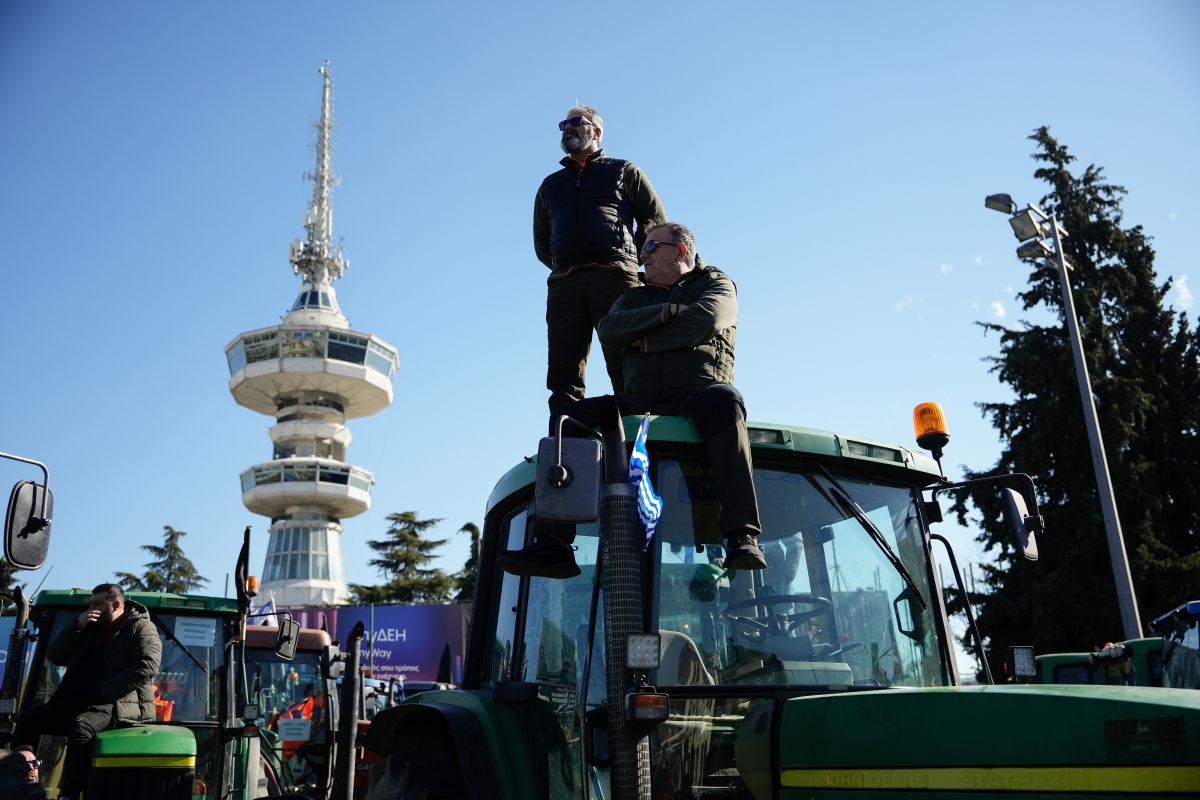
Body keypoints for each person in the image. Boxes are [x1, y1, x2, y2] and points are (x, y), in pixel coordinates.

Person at [503, 222, 767, 578]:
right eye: (642, 249)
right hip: (641, 400)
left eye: (651, 247)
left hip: (699, 392)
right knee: (568, 419)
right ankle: (554, 544)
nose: (642, 256)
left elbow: (706, 320)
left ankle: (742, 536)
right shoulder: (634, 296)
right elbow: (610, 330)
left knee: (726, 401)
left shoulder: (716, 284)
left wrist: (643, 341)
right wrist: (665, 313)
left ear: (681, 251)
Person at [534, 104, 667, 415]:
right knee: (563, 372)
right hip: (565, 285)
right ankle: (566, 437)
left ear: (597, 131)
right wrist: (565, 265)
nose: (568, 127)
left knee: (627, 362)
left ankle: (634, 432)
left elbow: (654, 221)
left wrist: (629, 260)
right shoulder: (550, 186)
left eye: (576, 121)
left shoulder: (625, 171)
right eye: (564, 124)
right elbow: (542, 242)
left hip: (615, 278)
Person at [13, 583, 161, 799]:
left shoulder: (141, 627)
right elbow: (56, 656)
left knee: (81, 727)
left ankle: (70, 794)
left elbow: (147, 666)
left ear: (116, 605)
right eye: (91, 604)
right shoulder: (88, 627)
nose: (92, 609)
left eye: (98, 604)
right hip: (79, 702)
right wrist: (77, 625)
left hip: (116, 703)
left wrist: (104, 691)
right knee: (28, 720)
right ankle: (21, 780)